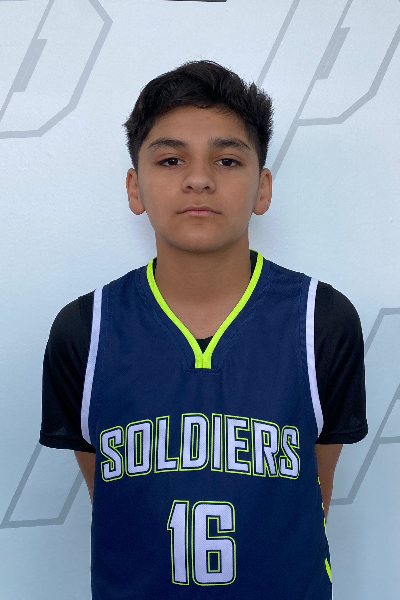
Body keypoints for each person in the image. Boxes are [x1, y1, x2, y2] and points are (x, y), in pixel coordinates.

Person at [39, 59, 368, 599]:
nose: (199, 178)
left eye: (227, 159)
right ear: (135, 187)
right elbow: (117, 498)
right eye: (171, 159)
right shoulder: (85, 330)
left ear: (262, 189)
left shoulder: (321, 320)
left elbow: (312, 492)